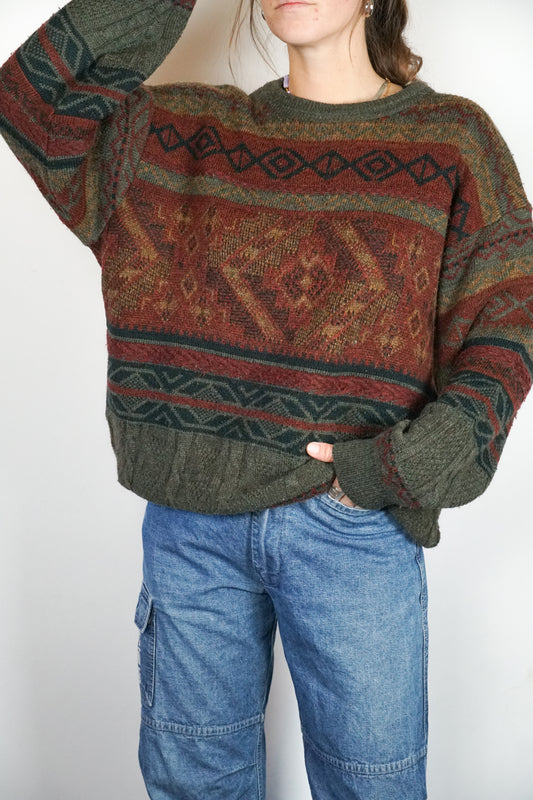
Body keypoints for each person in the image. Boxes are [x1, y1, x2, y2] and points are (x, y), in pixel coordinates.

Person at [1, 0, 531, 797]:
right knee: (196, 786)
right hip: (190, 526)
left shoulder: (451, 140)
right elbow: (32, 101)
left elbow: (507, 320)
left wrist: (399, 469)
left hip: (351, 529)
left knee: (371, 789)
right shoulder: (180, 132)